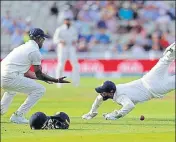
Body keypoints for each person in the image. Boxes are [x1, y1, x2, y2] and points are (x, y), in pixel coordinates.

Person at [82, 42, 175, 120]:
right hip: (148, 79)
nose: (101, 94)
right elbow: (99, 98)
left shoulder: (119, 96)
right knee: (165, 60)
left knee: (165, 61)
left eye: (103, 92)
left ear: (111, 92)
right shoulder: (114, 90)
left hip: (155, 89)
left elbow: (130, 105)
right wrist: (92, 113)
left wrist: (114, 115)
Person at [1, 28, 70, 124]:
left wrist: (45, 78)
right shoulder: (34, 51)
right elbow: (39, 74)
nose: (44, 41)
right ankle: (18, 115)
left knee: (11, 91)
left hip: (4, 76)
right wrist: (55, 80)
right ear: (38, 39)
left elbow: (26, 73)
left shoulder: (23, 47)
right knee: (39, 90)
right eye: (43, 39)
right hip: (9, 77)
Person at [53, 16, 80, 88]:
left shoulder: (73, 29)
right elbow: (55, 39)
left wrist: (75, 41)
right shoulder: (60, 29)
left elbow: (76, 38)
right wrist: (60, 41)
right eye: (67, 20)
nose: (68, 22)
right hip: (62, 48)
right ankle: (59, 82)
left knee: (75, 65)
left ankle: (75, 82)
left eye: (69, 20)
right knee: (61, 65)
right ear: (64, 21)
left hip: (71, 48)